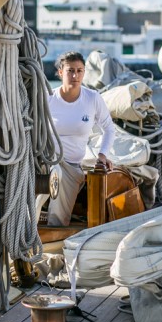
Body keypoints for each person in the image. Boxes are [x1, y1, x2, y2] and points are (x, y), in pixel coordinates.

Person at [46, 51, 116, 226]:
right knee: (52, 174)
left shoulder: (92, 98)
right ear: (61, 72)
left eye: (79, 70)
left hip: (71, 166)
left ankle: (55, 231)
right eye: (70, 70)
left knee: (61, 178)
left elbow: (108, 128)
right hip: (46, 162)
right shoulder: (48, 98)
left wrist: (102, 154)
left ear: (84, 73)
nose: (75, 75)